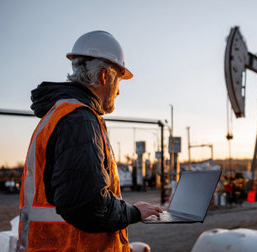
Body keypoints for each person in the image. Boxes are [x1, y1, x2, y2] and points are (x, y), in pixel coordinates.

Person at [19, 30, 162, 251]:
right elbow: (87, 207)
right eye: (118, 81)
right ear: (105, 76)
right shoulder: (79, 120)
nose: (119, 92)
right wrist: (133, 212)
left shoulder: (62, 114)